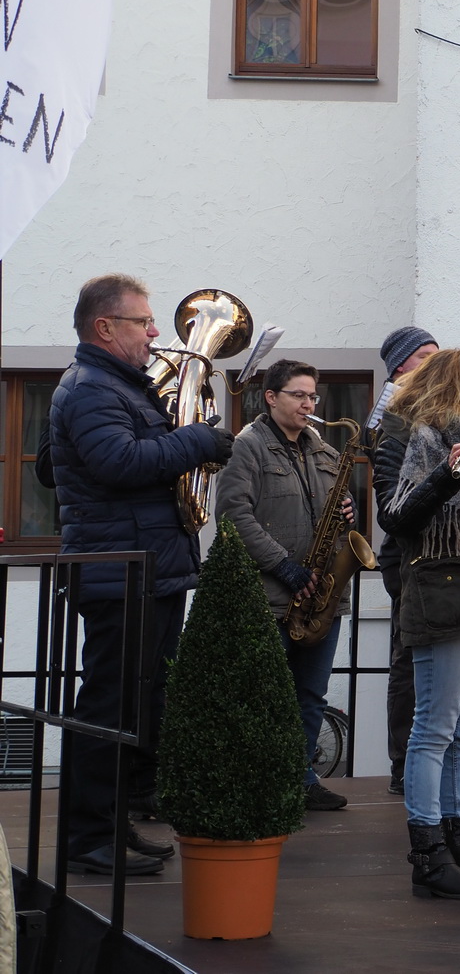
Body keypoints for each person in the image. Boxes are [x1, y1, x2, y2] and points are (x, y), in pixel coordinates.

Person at [50, 274, 233, 875]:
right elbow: (117, 462)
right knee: (108, 705)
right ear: (106, 328)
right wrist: (199, 442)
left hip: (146, 565)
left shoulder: (121, 385)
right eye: (144, 323)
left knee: (134, 705)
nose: (157, 333)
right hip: (118, 569)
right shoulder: (89, 389)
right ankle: (87, 839)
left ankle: (113, 822)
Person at [379, 349, 460, 899]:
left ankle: (459, 840)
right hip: (441, 589)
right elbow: (397, 517)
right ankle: (426, 853)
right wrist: (450, 474)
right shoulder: (414, 434)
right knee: (433, 729)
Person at [215, 359, 355, 814]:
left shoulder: (324, 449)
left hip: (321, 595)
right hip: (273, 594)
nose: (309, 404)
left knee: (311, 694)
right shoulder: (247, 447)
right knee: (265, 694)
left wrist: (348, 514)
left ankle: (300, 777)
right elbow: (233, 517)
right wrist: (285, 567)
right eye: (299, 395)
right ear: (271, 397)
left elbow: (336, 509)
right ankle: (260, 785)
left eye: (313, 396)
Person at [376, 326, 439, 798]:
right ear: (401, 367)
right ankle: (403, 762)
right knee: (408, 658)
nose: (434, 363)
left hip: (441, 551)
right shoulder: (394, 413)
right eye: (424, 356)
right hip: (407, 553)